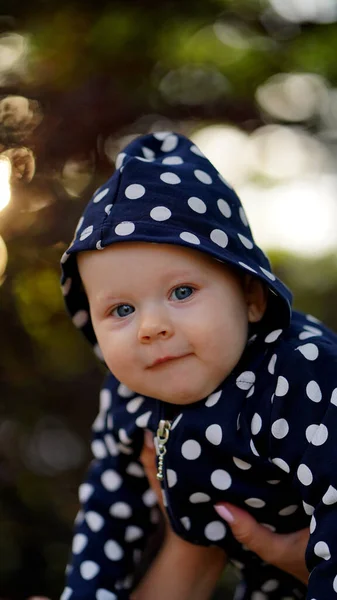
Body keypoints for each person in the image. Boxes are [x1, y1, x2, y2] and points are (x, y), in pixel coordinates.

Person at [60, 131, 337, 600]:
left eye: (182, 292)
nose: (150, 327)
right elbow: (111, 507)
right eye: (122, 310)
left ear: (250, 296)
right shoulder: (129, 392)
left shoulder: (298, 373)